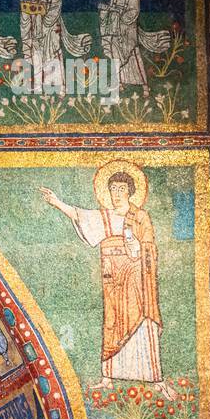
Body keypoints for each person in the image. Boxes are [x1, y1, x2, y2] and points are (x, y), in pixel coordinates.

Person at [40, 164, 173, 400]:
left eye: (122, 188)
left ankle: (156, 378)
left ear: (131, 191)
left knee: (142, 321)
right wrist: (56, 202)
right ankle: (108, 377)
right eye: (113, 188)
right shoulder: (105, 216)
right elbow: (80, 215)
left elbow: (150, 247)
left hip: (137, 280)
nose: (117, 192)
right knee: (112, 322)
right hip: (113, 280)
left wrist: (138, 249)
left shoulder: (140, 216)